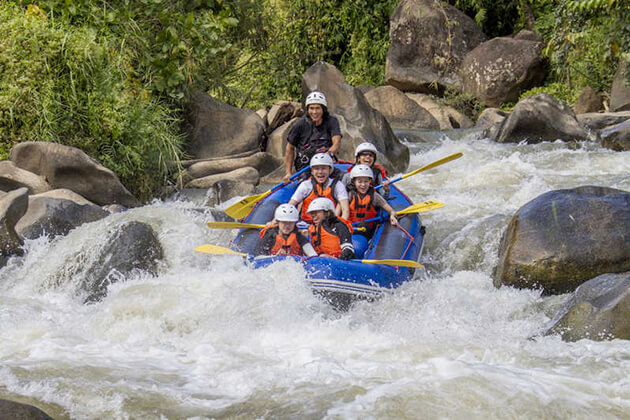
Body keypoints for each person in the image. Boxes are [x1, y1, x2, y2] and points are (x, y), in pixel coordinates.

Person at [283, 91, 342, 183]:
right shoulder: (300, 124)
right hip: (306, 168)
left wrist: (329, 154)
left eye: (318, 108)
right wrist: (288, 172)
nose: (314, 112)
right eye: (311, 108)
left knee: (346, 178)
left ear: (323, 109)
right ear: (307, 109)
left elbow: (337, 142)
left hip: (326, 166)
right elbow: (289, 148)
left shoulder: (332, 121)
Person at [289, 153, 349, 223]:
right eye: (317, 169)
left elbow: (345, 210)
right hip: (306, 224)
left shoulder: (338, 185)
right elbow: (291, 205)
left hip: (329, 225)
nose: (320, 172)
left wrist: (340, 226)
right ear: (312, 171)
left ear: (330, 170)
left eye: (324, 168)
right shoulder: (306, 185)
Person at [347, 164, 399, 238]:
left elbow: (390, 210)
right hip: (351, 228)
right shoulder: (349, 195)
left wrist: (392, 216)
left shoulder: (374, 196)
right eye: (360, 182)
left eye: (366, 181)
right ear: (354, 182)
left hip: (367, 230)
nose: (363, 184)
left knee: (364, 226)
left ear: (370, 181)